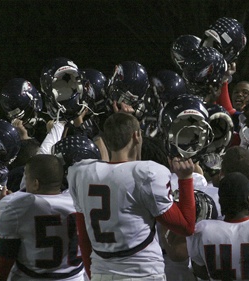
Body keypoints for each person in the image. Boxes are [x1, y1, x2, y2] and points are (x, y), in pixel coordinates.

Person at [67, 112, 195, 280]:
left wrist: (95, 275)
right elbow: (186, 226)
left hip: (101, 272)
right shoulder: (146, 173)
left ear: (106, 140)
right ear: (136, 136)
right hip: (142, 272)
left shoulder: (82, 173)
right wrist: (185, 179)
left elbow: (84, 237)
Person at [0, 154, 85, 281]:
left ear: (36, 183)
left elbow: (4, 258)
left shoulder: (17, 206)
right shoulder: (79, 200)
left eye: (26, 177)